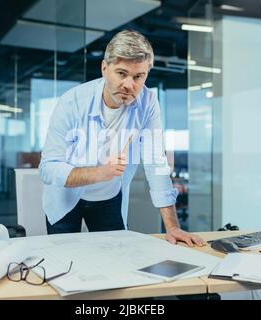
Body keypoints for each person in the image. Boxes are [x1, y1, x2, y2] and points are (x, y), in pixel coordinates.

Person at [39, 30, 205, 247]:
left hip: (108, 197)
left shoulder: (148, 102)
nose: (130, 85)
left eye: (138, 77)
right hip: (65, 197)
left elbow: (156, 164)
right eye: (121, 73)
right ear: (104, 69)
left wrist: (172, 226)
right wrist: (100, 172)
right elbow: (48, 168)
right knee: (64, 261)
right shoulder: (72, 102)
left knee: (116, 260)